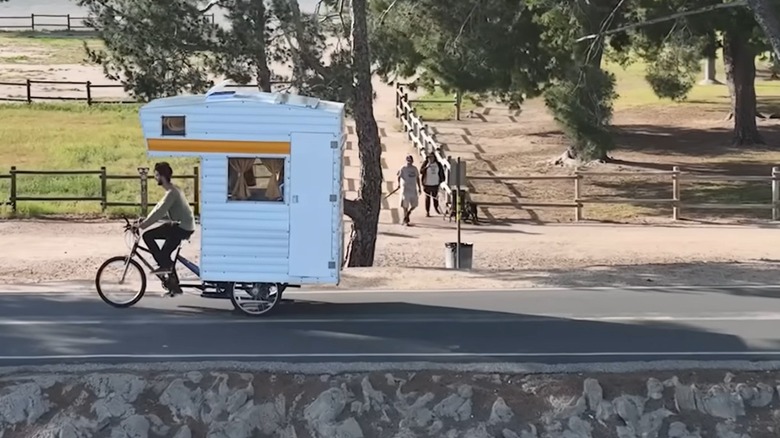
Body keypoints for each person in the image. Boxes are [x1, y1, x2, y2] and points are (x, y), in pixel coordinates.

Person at [137, 162, 196, 275]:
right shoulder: (172, 190)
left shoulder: (171, 193)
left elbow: (160, 212)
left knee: (147, 236)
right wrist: (143, 220)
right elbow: (158, 209)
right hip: (182, 225)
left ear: (162, 176)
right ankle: (173, 286)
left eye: (156, 175)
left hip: (182, 227)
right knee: (164, 257)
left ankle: (166, 268)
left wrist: (143, 225)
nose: (155, 178)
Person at [397, 154, 422, 225]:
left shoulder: (415, 169)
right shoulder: (403, 168)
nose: (409, 162)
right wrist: (399, 184)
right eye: (408, 160)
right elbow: (399, 177)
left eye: (410, 160)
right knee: (405, 205)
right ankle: (405, 220)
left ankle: (408, 213)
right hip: (405, 189)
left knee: (414, 205)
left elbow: (417, 178)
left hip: (413, 188)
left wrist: (419, 188)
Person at [420, 152, 445, 216]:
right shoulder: (426, 163)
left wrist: (441, 180)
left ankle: (436, 208)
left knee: (435, 197)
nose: (430, 159)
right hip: (427, 184)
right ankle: (427, 211)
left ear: (434, 158)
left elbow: (441, 172)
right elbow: (421, 171)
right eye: (429, 157)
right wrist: (426, 167)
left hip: (435, 184)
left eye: (432, 157)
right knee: (427, 198)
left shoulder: (438, 164)